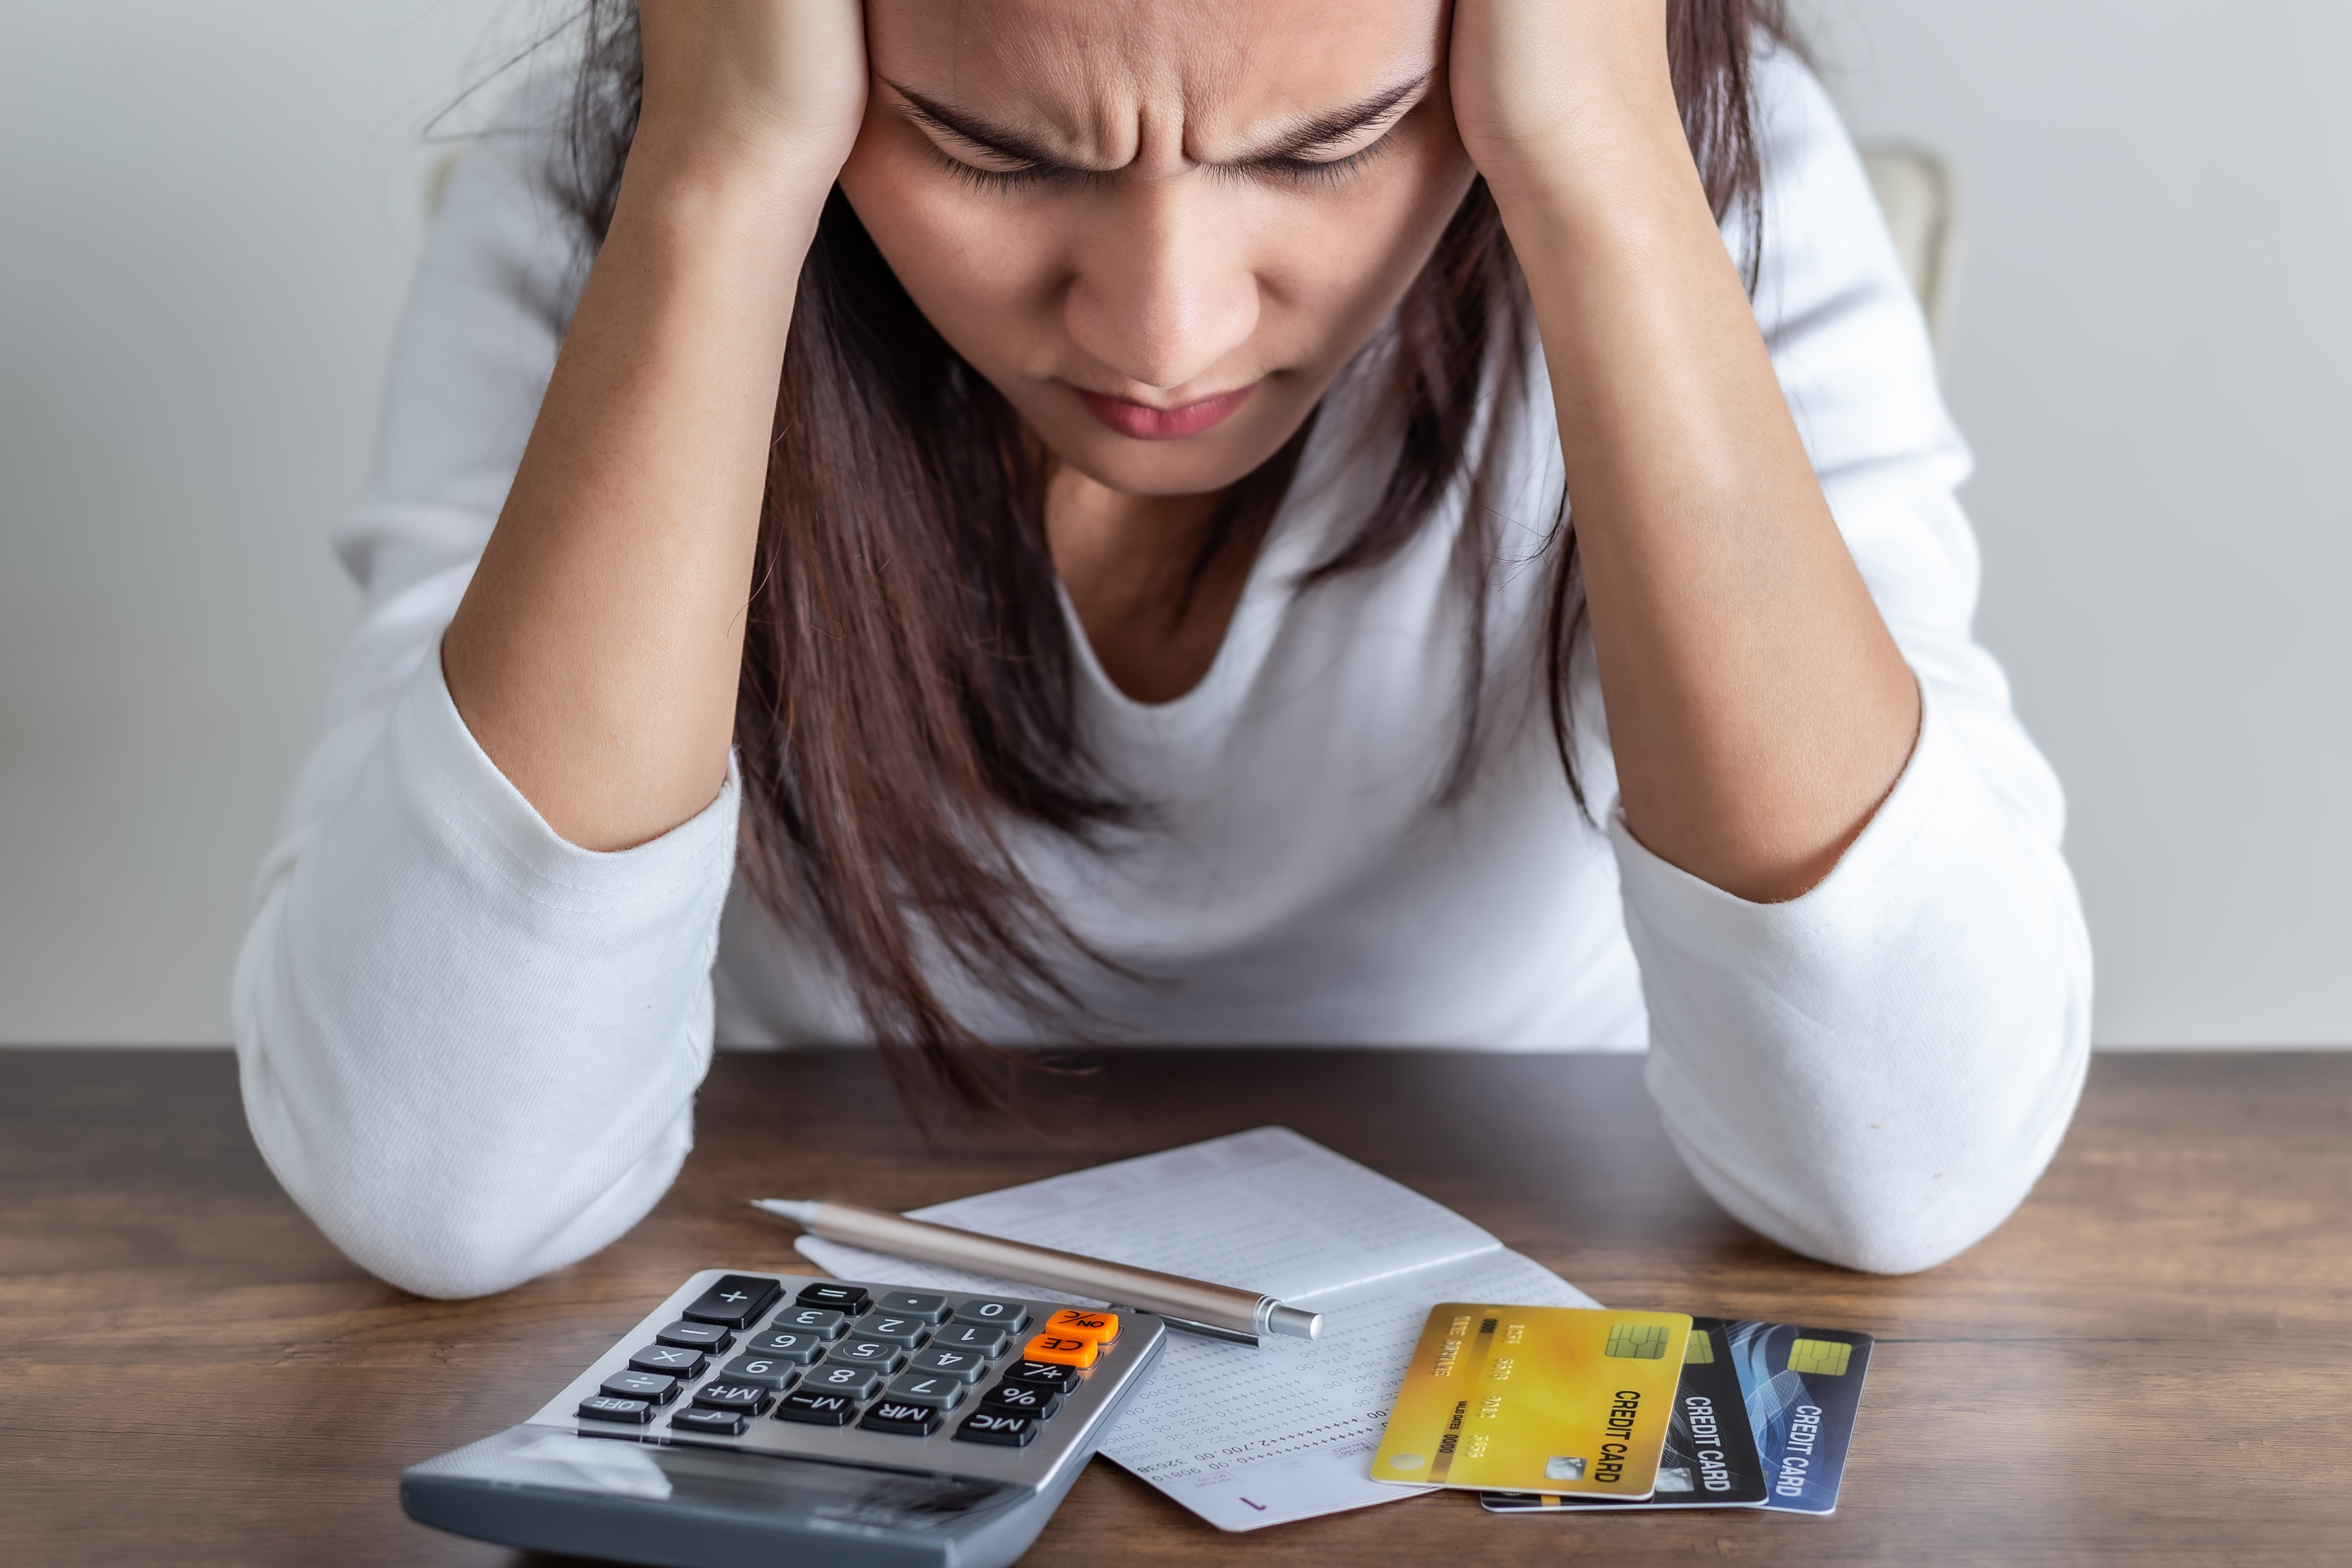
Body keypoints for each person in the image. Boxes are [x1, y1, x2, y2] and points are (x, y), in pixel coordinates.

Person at [234, 0, 2090, 1301]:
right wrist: (720, 182)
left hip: (1532, 1332)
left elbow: (1902, 1159)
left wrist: (1602, 165)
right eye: (984, 146)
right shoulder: (619, 198)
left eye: (1328, 145)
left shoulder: (1681, 161)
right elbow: (440, 1182)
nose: (1165, 331)